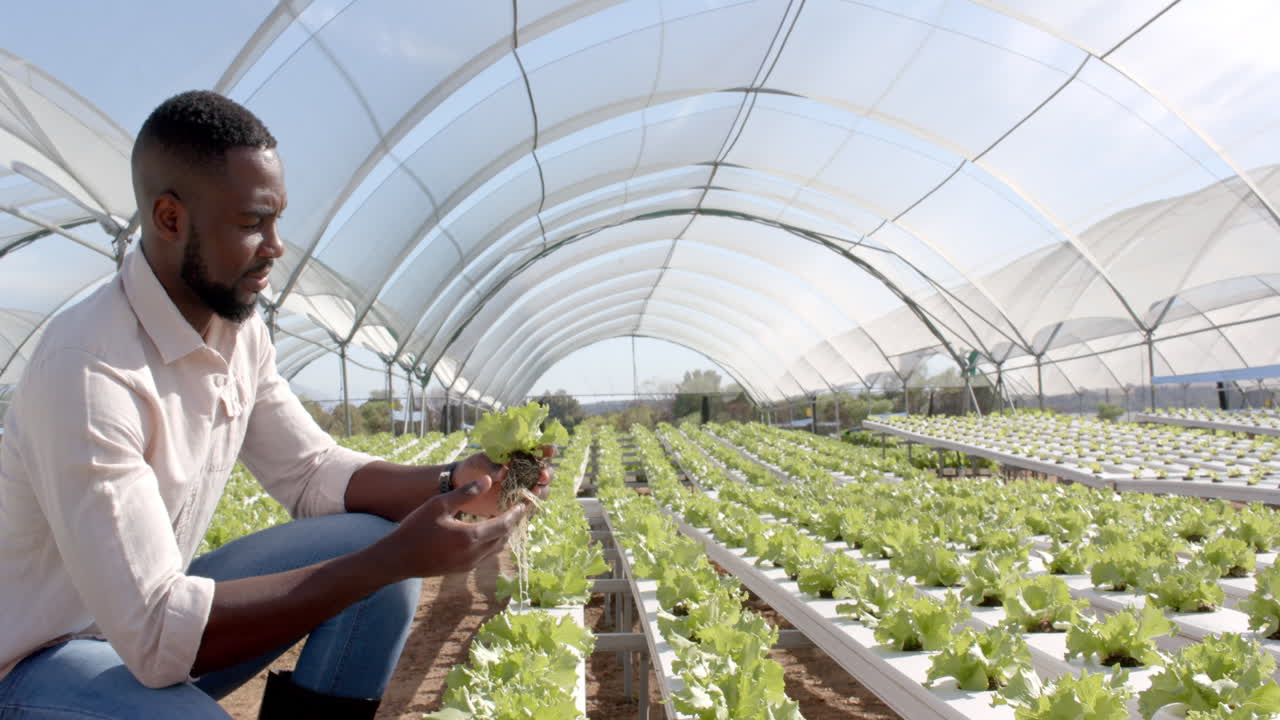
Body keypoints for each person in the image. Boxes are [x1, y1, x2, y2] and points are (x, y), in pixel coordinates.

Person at [0, 90, 549, 719]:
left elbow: (312, 473)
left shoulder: (238, 333)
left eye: (278, 219)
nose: (275, 245)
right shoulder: (91, 368)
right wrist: (389, 559)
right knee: (369, 567)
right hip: (33, 664)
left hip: (138, 623)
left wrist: (457, 483)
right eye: (251, 222)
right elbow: (154, 637)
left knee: (374, 558)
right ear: (170, 219)